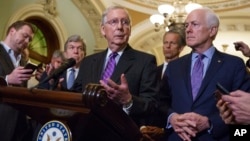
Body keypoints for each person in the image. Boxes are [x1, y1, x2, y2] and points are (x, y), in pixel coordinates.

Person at [157, 7, 250, 141]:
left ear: (212, 30)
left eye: (194, 24)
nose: (187, 30)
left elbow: (244, 109)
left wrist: (209, 122)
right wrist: (172, 118)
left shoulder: (234, 64)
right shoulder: (174, 66)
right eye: (186, 25)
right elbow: (160, 103)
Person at [0, 20, 36, 141]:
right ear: (12, 31)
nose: (27, 42)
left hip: (19, 126)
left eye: (30, 40)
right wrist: (7, 79)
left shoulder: (23, 62)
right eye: (25, 36)